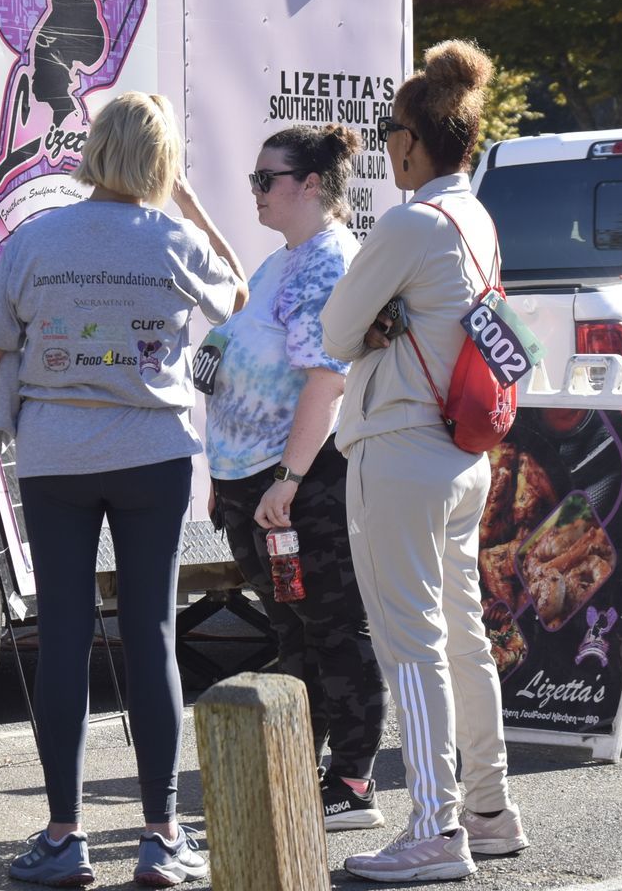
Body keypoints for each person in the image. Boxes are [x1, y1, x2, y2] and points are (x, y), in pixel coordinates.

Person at [0, 91, 247, 889]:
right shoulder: (174, 238)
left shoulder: (37, 238)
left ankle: (63, 835)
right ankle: (160, 835)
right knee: (151, 635)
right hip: (154, 455)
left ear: (93, 150)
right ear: (163, 163)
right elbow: (241, 298)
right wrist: (185, 200)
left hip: (56, 460)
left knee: (64, 637)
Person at [318, 41, 529, 882]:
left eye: (388, 130)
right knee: (461, 636)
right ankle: (488, 807)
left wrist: (373, 327)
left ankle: (436, 830)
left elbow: (335, 333)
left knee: (412, 646)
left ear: (413, 138)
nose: (384, 144)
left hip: (400, 447)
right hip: (459, 449)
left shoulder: (408, 223)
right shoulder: (474, 216)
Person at [200, 123, 389, 833]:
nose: (254, 190)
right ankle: (299, 770)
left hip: (300, 486)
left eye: (265, 178)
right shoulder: (286, 259)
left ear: (311, 185)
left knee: (333, 628)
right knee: (295, 631)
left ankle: (351, 781)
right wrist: (229, 473)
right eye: (253, 178)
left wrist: (285, 478)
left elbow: (325, 380)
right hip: (259, 483)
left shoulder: (324, 263)